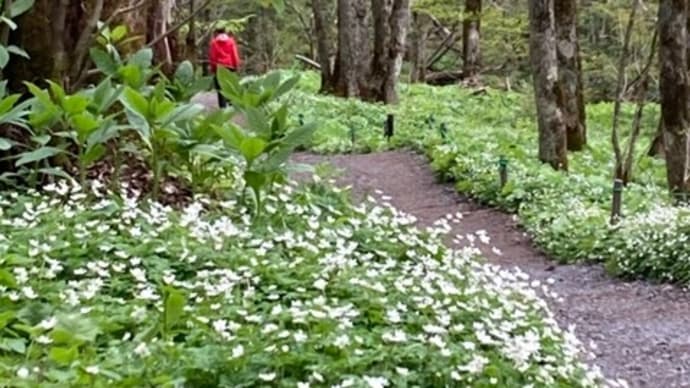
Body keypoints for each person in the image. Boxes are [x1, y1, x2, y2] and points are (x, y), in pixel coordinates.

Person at [208, 28, 241, 108]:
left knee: (220, 88)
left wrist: (213, 69)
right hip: (230, 67)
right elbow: (234, 55)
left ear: (216, 33)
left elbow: (213, 57)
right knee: (230, 86)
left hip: (219, 68)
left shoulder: (214, 43)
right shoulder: (231, 41)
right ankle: (232, 105)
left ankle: (223, 108)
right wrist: (236, 66)